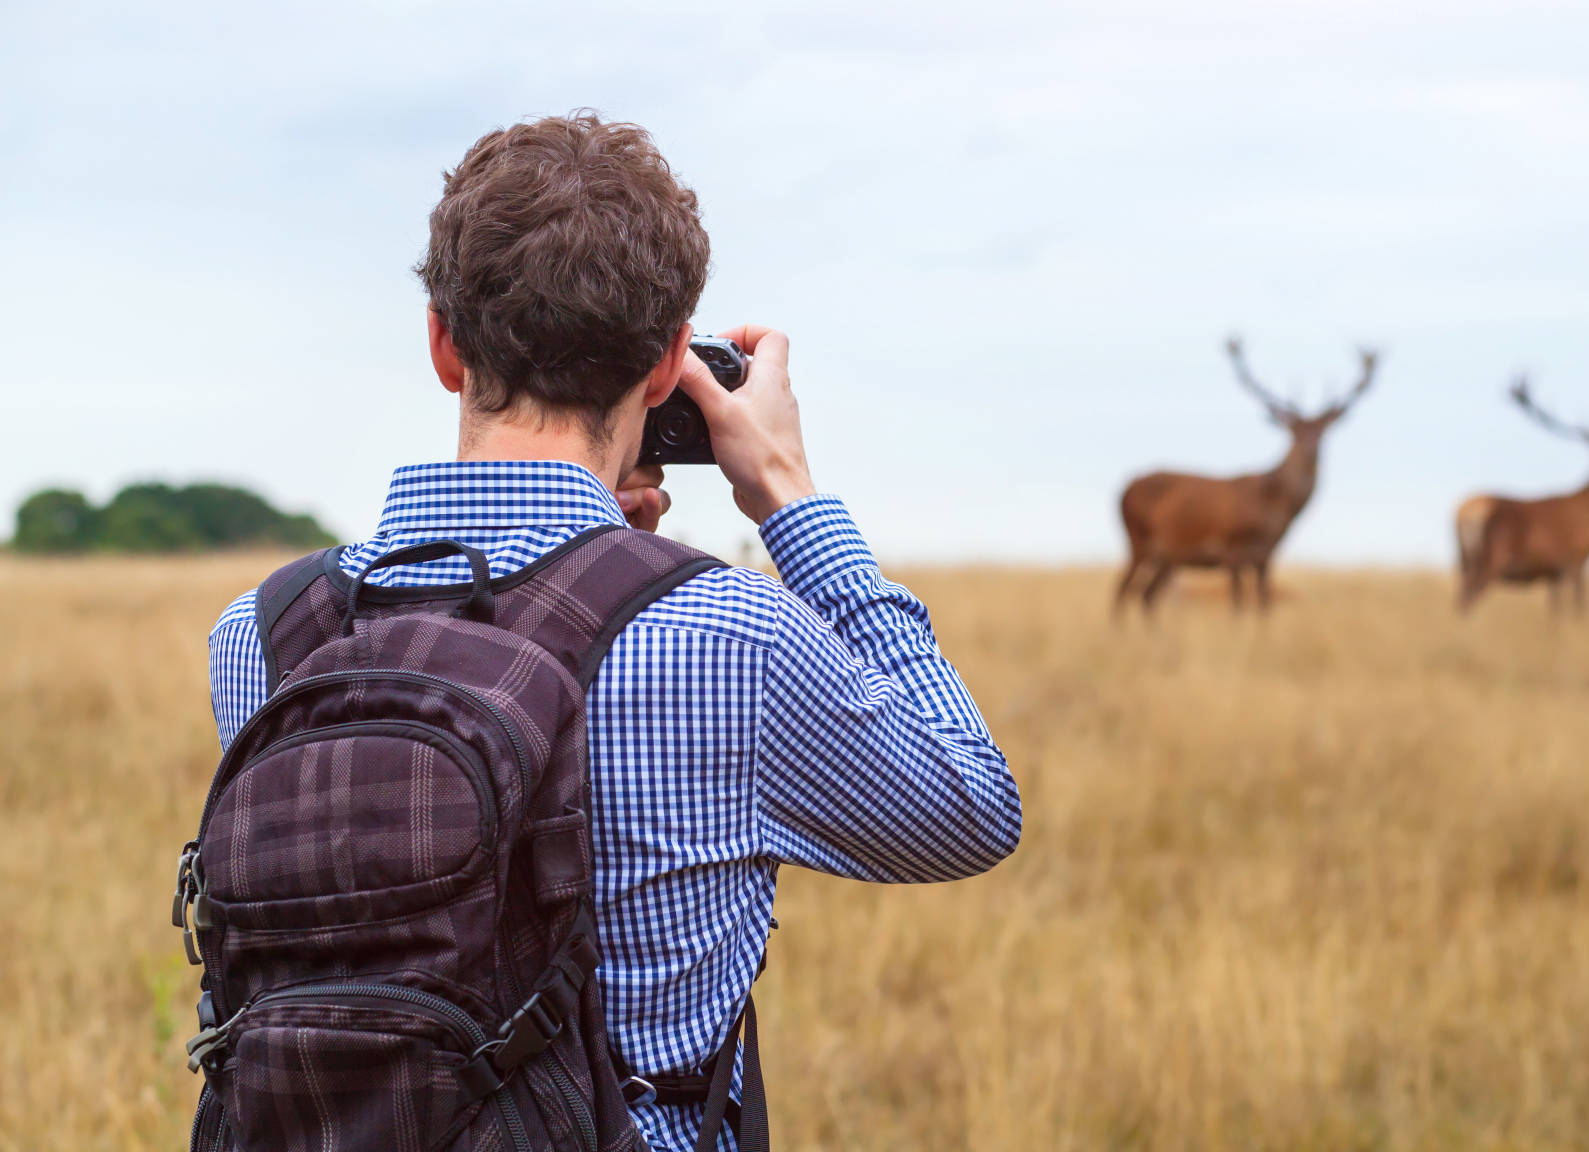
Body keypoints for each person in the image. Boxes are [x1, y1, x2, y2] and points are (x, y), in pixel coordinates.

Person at [205, 112, 1023, 1152]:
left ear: (444, 344)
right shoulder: (729, 636)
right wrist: (789, 498)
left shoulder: (267, 638)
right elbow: (970, 806)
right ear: (669, 360)